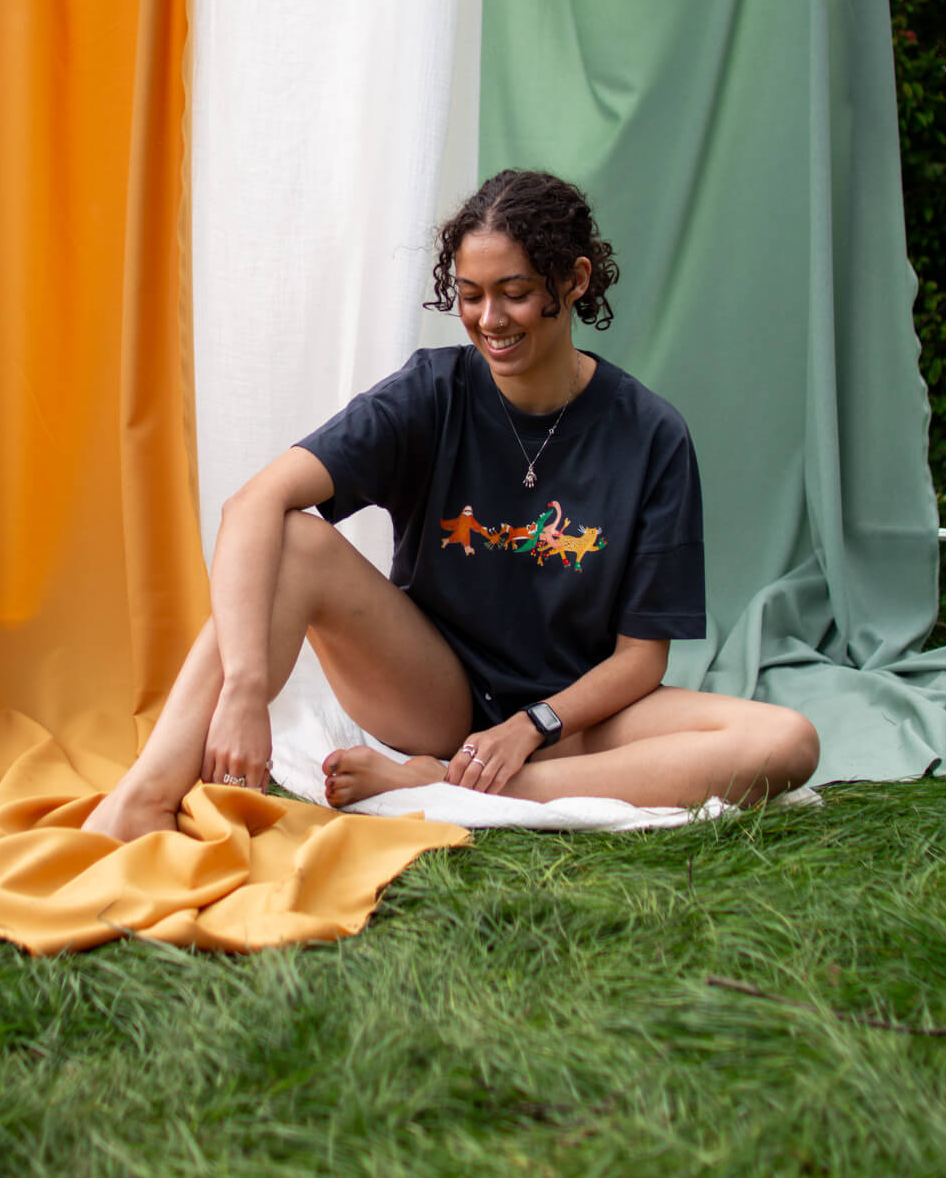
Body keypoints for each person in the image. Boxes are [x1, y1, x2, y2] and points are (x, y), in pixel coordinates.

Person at [84, 170, 818, 841]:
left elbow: (640, 661)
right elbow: (252, 505)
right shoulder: (432, 392)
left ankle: (459, 784)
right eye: (470, 294)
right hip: (434, 695)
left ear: (574, 280)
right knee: (296, 541)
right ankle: (147, 793)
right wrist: (246, 689)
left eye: (516, 290)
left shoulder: (651, 434)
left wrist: (530, 727)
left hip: (577, 716)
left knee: (786, 741)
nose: (489, 318)